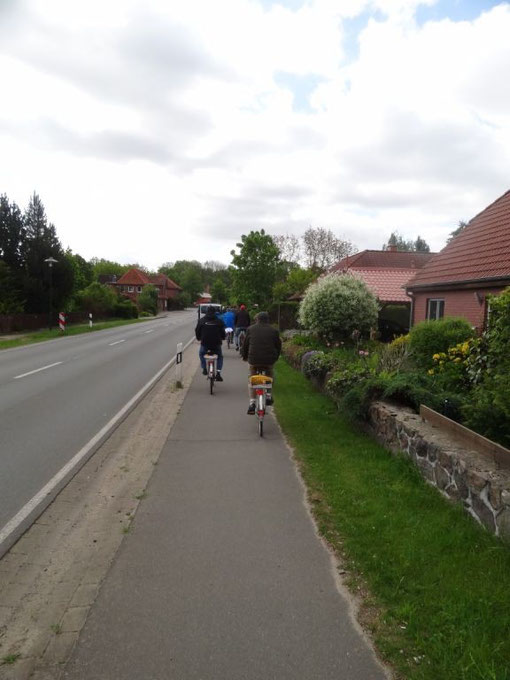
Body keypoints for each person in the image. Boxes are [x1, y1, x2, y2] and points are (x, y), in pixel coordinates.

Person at [241, 311, 281, 414]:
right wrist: (275, 357)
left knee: (252, 378)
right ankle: (268, 396)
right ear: (268, 320)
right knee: (270, 373)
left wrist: (245, 357)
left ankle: (252, 403)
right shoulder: (274, 330)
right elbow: (278, 346)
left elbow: (245, 345)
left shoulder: (250, 329)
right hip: (269, 360)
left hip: (253, 360)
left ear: (257, 319)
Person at [195, 305, 226, 381]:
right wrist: (223, 338)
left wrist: (199, 338)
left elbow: (197, 330)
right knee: (220, 356)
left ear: (206, 312)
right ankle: (218, 373)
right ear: (215, 312)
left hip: (205, 343)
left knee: (201, 353)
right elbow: (223, 332)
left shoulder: (201, 320)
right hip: (216, 344)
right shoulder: (219, 321)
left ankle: (204, 368)